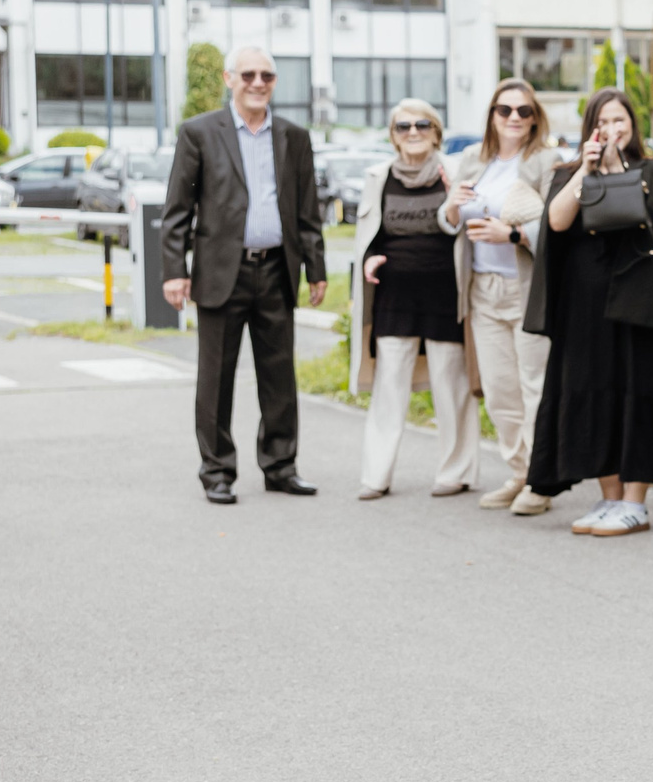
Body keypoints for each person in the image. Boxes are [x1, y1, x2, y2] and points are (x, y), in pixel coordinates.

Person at [525, 86, 653, 536]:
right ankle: (608, 498)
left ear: (633, 125)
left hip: (642, 304)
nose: (611, 129)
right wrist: (587, 167)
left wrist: (618, 168)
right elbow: (558, 221)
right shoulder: (570, 173)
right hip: (585, 305)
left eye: (619, 120)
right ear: (589, 128)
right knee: (593, 394)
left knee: (637, 394)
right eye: (602, 122)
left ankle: (635, 503)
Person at [161, 47, 327, 505]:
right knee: (216, 377)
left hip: (276, 270)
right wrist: (175, 272)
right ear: (228, 78)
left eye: (267, 75)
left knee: (279, 377)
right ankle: (217, 470)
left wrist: (316, 268)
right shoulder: (199, 133)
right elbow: (178, 210)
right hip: (220, 273)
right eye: (249, 74)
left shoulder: (294, 136)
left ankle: (280, 465)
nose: (258, 82)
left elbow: (307, 210)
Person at [349, 99, 475, 501]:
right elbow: (369, 235)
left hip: (444, 292)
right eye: (403, 126)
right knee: (389, 384)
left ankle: (455, 472)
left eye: (422, 124)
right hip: (394, 294)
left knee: (449, 383)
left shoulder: (455, 174)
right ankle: (376, 475)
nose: (413, 132)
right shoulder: (378, 177)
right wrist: (369, 261)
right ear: (393, 135)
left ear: (436, 131)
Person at [444, 78, 557, 515]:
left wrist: (510, 233)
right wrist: (452, 206)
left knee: (534, 386)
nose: (513, 118)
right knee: (499, 390)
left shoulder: (547, 161)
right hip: (481, 290)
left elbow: (556, 224)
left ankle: (542, 480)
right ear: (491, 115)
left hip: (526, 289)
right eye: (504, 110)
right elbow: (448, 216)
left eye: (523, 112)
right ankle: (519, 472)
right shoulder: (474, 159)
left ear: (534, 119)